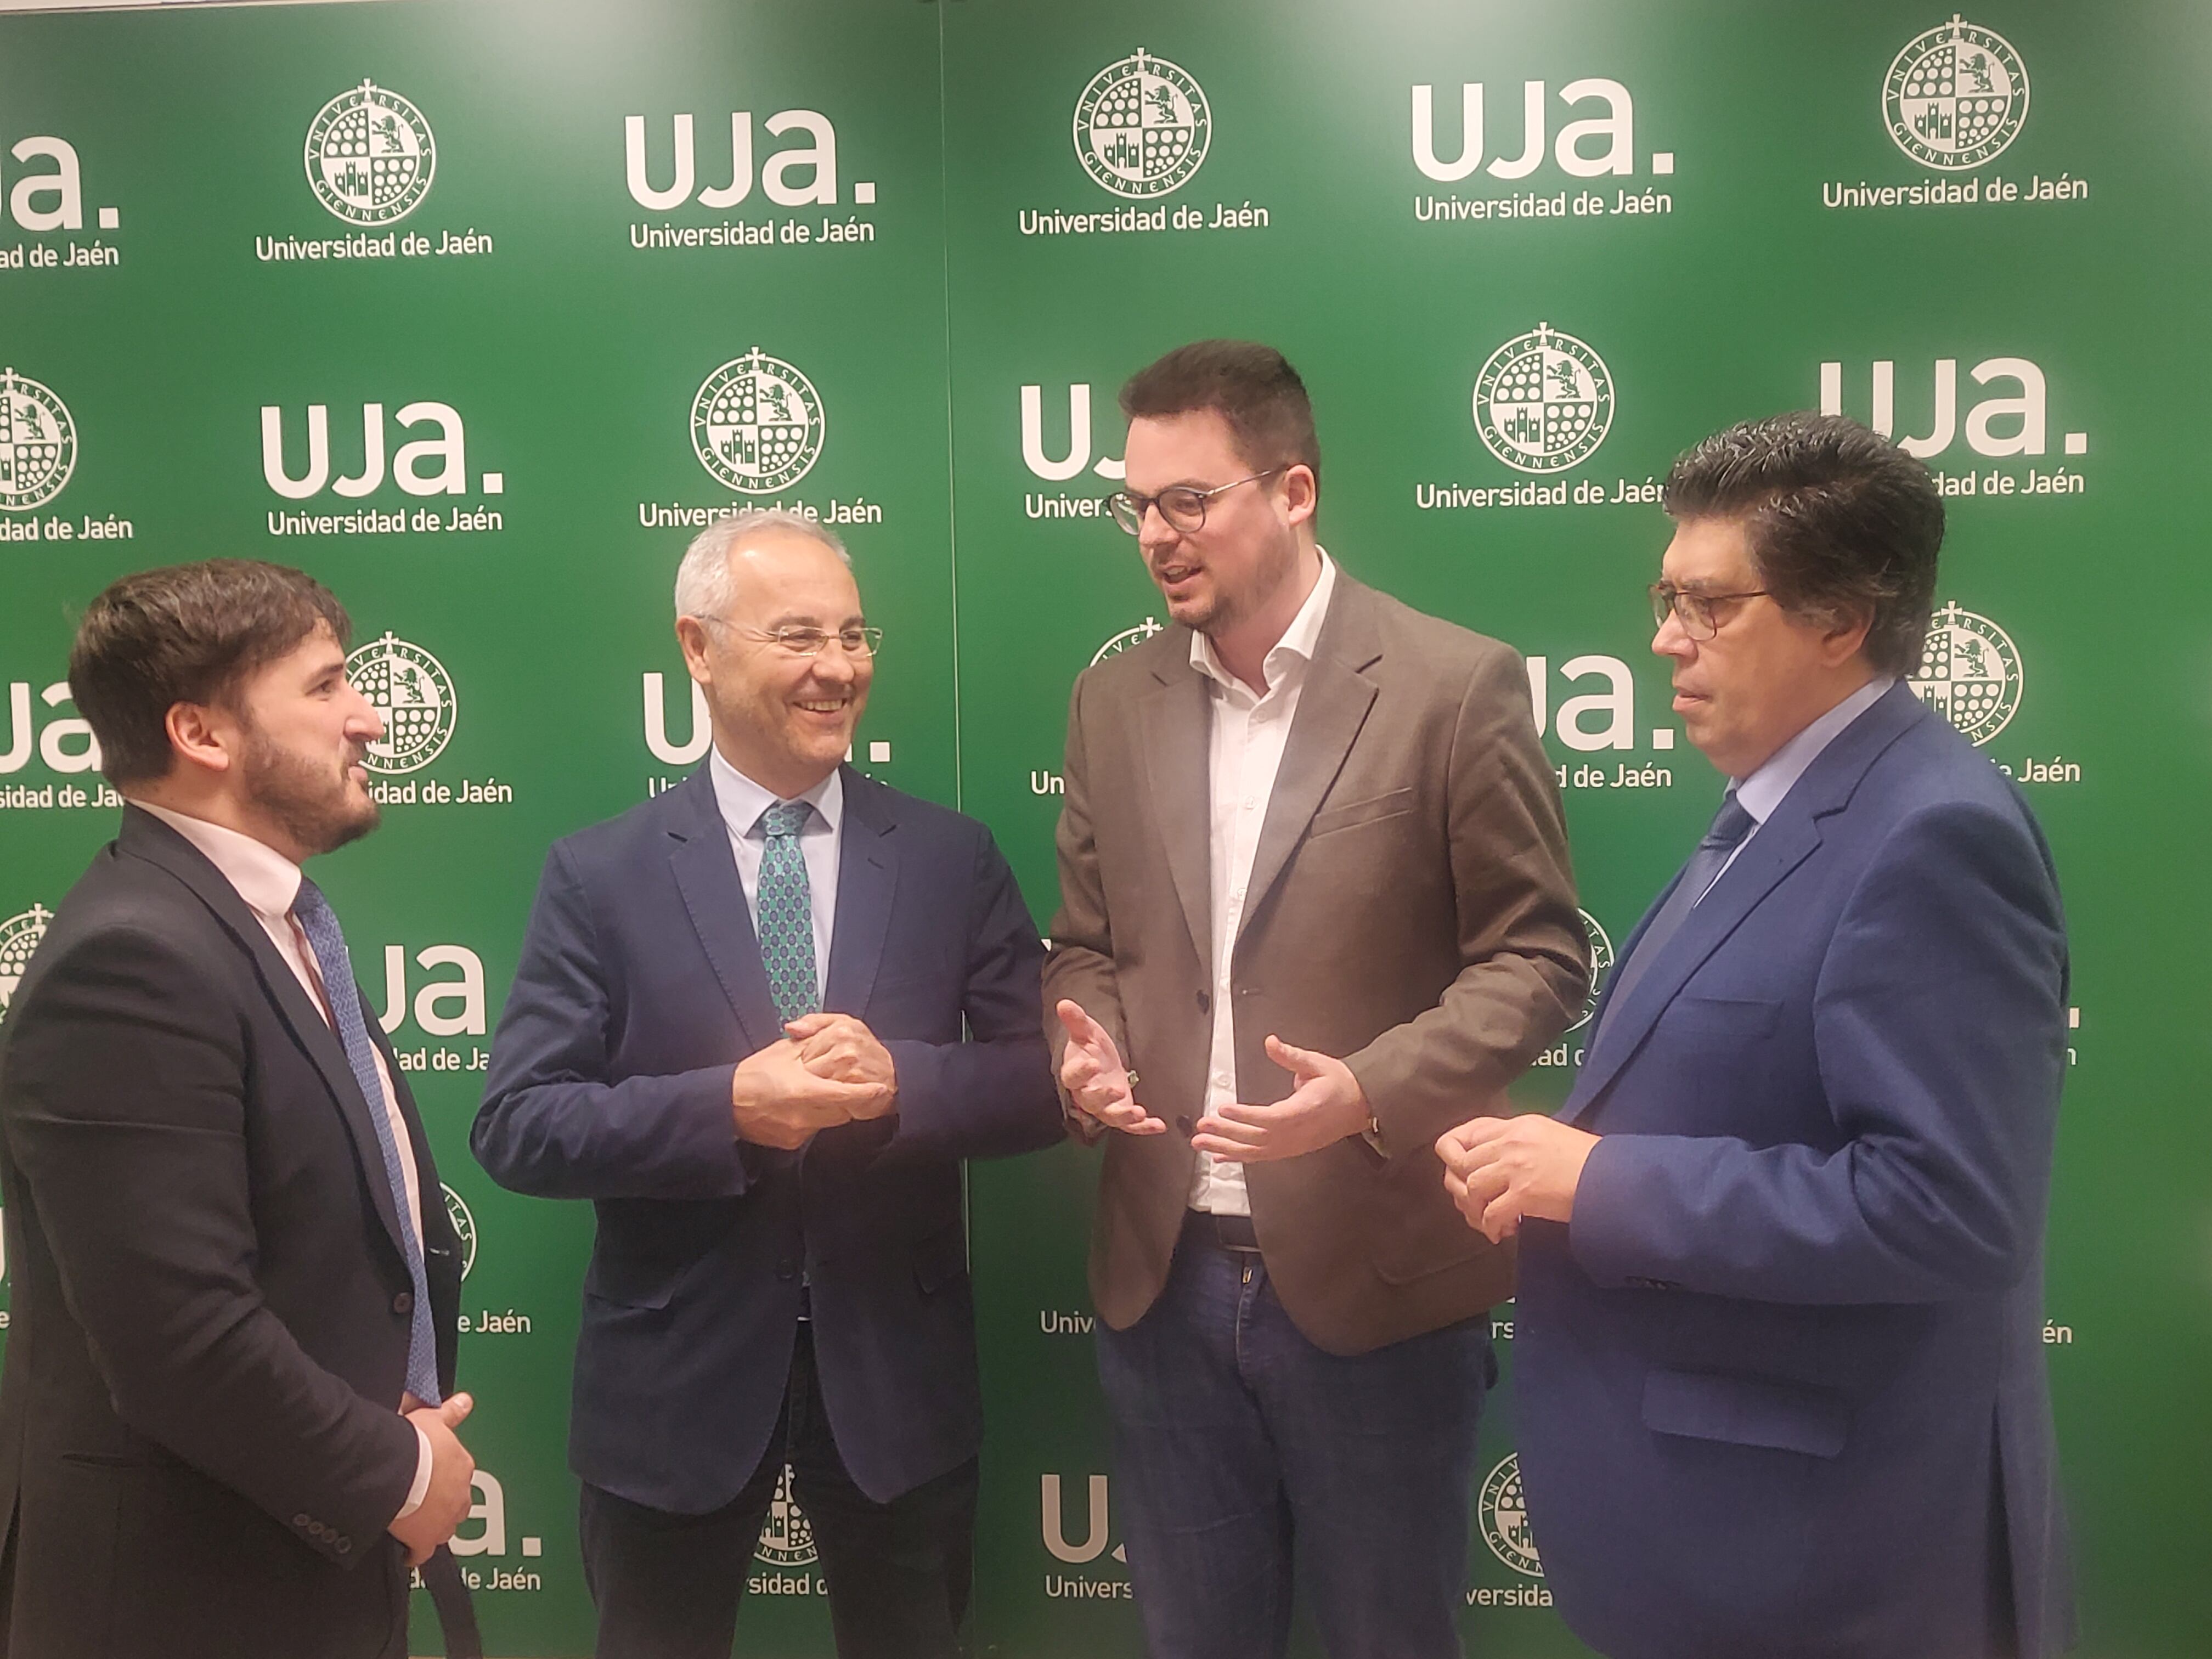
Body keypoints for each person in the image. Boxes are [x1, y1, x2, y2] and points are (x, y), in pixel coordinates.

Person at [1438, 413, 2073, 1659]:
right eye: (1666, 597)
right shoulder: (1779, 809)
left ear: (1841, 621)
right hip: (1733, 1541)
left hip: (1832, 1564)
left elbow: (1950, 1209)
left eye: (1711, 605)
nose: (1665, 638)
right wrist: (1550, 1168)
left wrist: (1602, 1182)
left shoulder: (1932, 834)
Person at [1046, 340, 1587, 1659]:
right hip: (1164, 1283)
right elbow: (1085, 947)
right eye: (1137, 506)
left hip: (1377, 1283)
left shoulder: (1452, 686)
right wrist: (1089, 1049)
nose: (1156, 537)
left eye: (1189, 501)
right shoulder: (1113, 700)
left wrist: (1371, 1091)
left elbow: (1538, 959)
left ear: (1294, 491)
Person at [474, 510, 1061, 1659]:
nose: (838, 666)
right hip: (671, 1385)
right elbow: (519, 1125)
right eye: (798, 636)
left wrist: (902, 1085)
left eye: (853, 634)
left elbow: (1046, 1085)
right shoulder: (601, 874)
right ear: (698, 648)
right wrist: (726, 1108)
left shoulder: (951, 859)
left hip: (897, 1383)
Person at [0, 560, 480, 1659]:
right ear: (201, 734)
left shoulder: (269, 920)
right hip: (186, 1591)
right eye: (325, 686)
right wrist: (398, 1475)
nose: (368, 718)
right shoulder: (134, 961)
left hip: (299, 1550)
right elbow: (180, 1337)